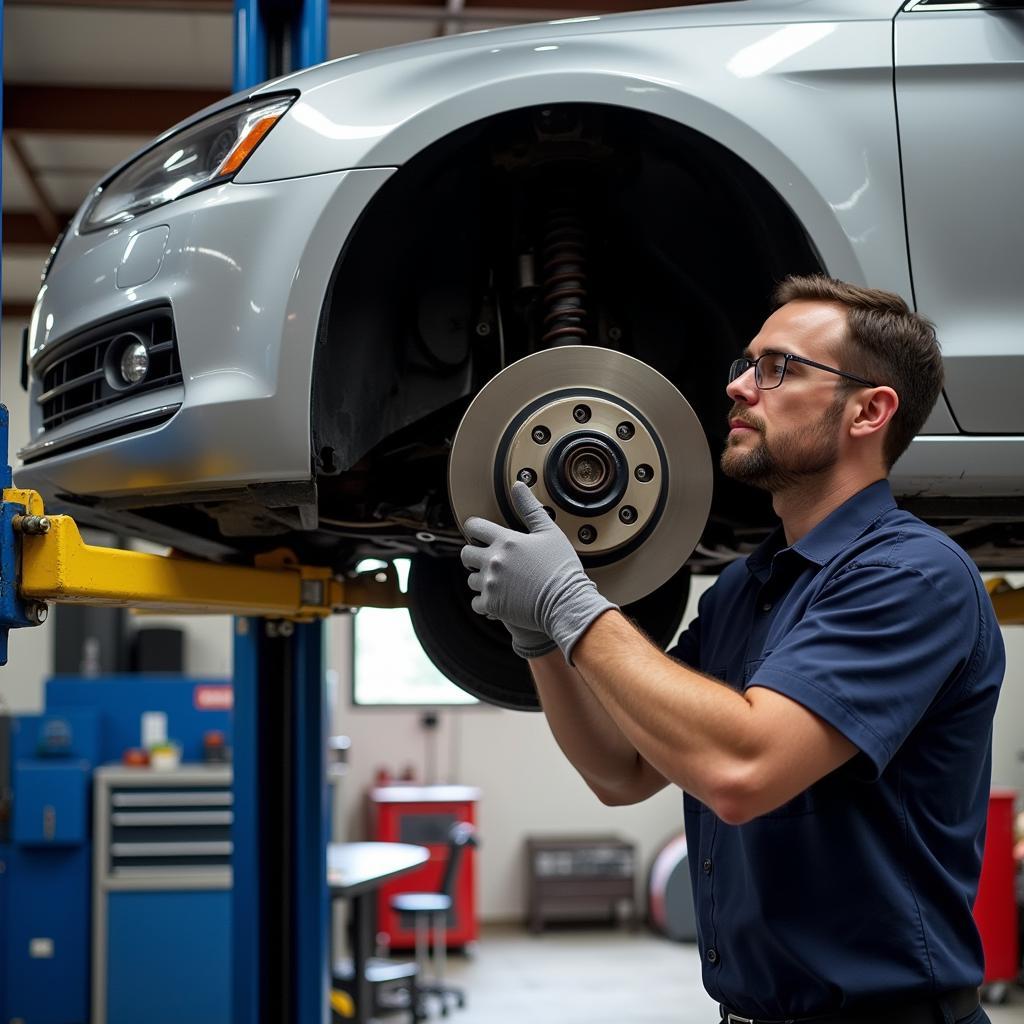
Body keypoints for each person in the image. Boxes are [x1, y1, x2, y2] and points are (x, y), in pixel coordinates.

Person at [460, 275, 1005, 1024]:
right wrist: (541, 637)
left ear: (870, 410)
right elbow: (619, 770)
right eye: (744, 365)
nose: (741, 389)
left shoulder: (914, 577)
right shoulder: (746, 589)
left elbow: (742, 768)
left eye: (777, 367)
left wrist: (572, 604)